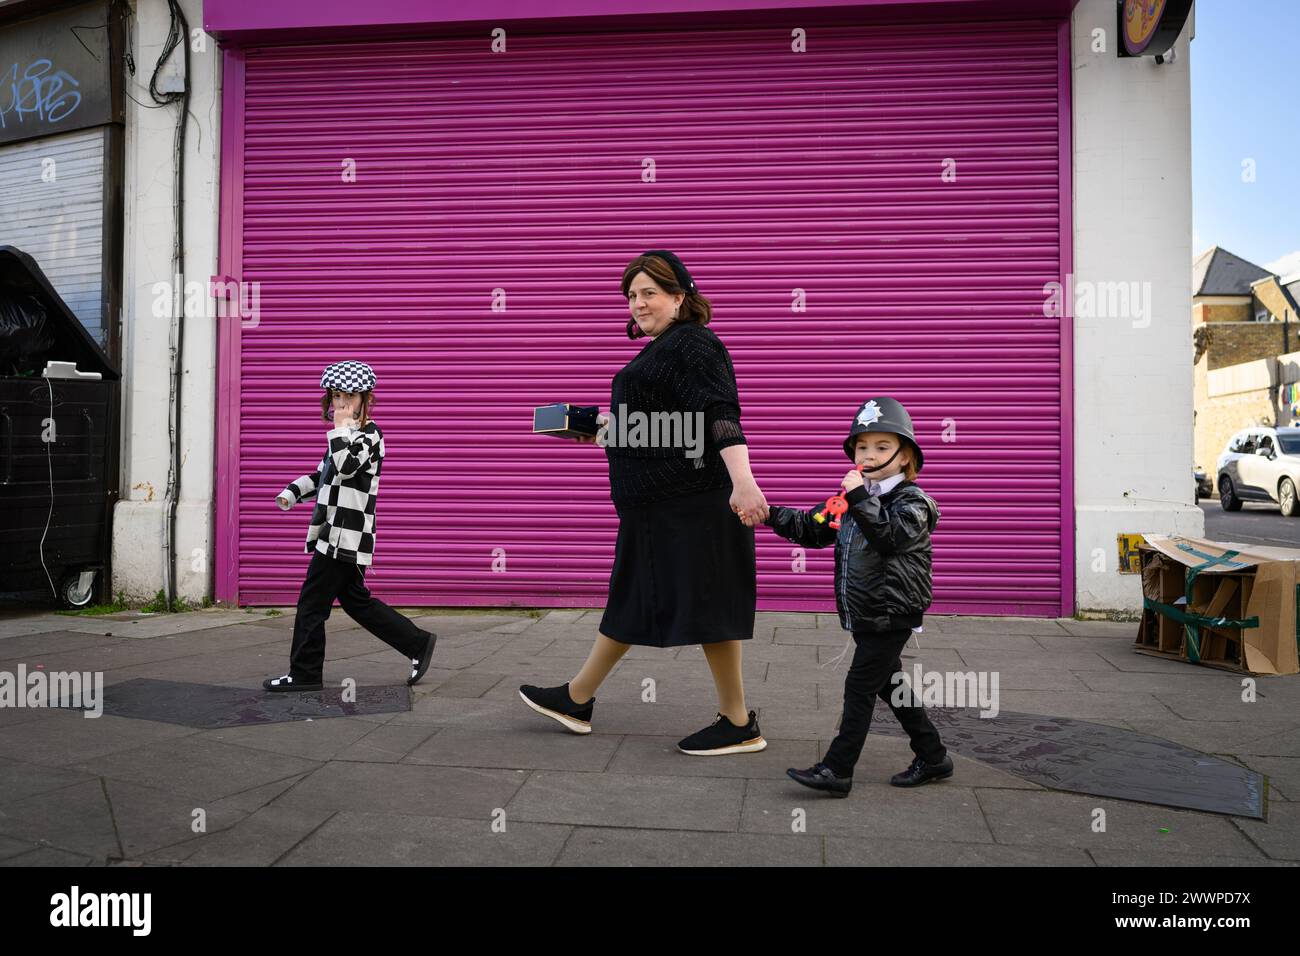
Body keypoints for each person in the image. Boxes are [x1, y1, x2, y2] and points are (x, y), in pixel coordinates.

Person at [519, 251, 770, 755]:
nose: (638, 303)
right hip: (655, 510)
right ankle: (577, 697)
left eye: (649, 293)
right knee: (634, 601)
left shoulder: (695, 343)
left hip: (693, 505)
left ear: (680, 296)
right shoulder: (661, 350)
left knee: (709, 607)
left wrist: (744, 481)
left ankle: (738, 722)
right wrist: (588, 425)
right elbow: (659, 427)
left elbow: (720, 412)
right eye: (632, 295)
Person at [764, 397, 951, 795]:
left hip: (892, 611)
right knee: (890, 685)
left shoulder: (913, 502)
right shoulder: (853, 498)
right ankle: (934, 756)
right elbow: (812, 528)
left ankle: (838, 769)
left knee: (860, 687)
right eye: (862, 446)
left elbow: (890, 538)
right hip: (867, 611)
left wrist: (860, 498)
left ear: (905, 457)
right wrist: (766, 513)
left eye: (883, 447)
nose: (869, 454)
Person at [263, 360, 437, 693]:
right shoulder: (342, 437)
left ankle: (304, 674)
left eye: (348, 396)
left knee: (312, 603)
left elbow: (344, 467)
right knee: (357, 602)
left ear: (364, 399)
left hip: (345, 535)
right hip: (336, 533)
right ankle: (417, 643)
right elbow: (322, 474)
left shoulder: (370, 436)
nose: (340, 404)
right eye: (336, 396)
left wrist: (340, 429)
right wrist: (291, 492)